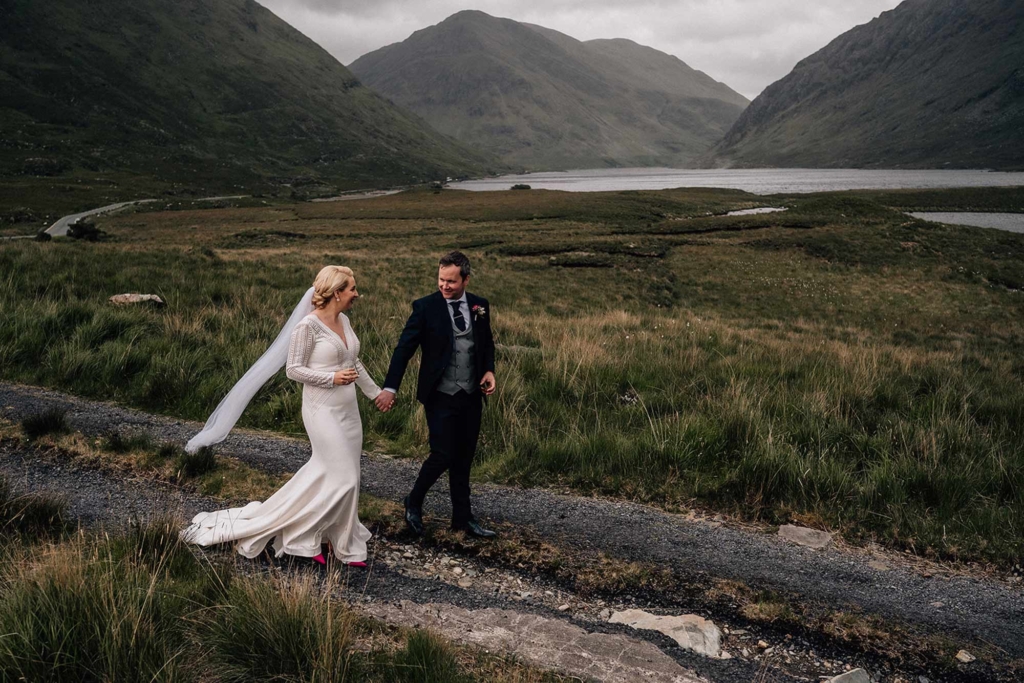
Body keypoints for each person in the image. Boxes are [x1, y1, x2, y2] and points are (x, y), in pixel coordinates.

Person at [181, 265, 382, 566]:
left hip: (348, 412)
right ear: (337, 293)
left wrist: (376, 393)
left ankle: (337, 540)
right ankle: (302, 536)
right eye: (352, 288)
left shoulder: (345, 320)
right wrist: (331, 378)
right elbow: (293, 370)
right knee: (346, 478)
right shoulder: (308, 327)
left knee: (330, 473)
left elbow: (355, 363)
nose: (357, 293)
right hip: (321, 410)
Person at [375, 251, 497, 538]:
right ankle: (413, 501)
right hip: (440, 394)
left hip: (470, 393)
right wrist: (391, 387)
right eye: (441, 279)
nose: (445, 286)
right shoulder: (425, 307)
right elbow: (404, 349)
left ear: (466, 279)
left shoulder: (480, 306)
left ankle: (462, 519)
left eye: (451, 281)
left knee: (464, 457)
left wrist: (489, 371)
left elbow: (486, 343)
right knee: (443, 453)